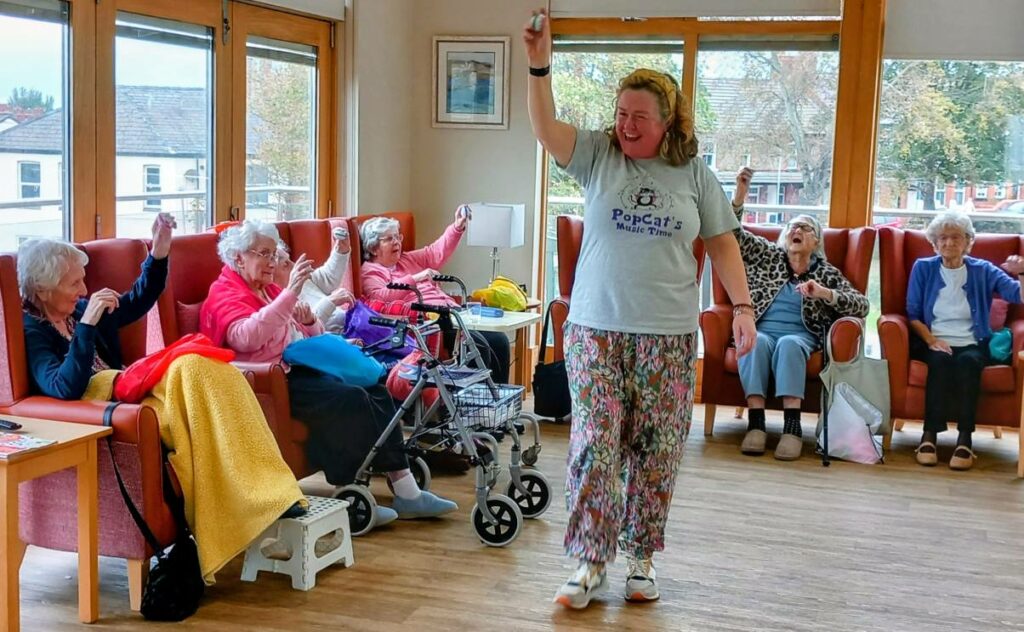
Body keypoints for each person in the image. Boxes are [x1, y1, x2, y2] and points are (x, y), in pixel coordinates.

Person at [523, 8, 758, 609]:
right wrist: (539, 66)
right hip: (595, 329)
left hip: (668, 336)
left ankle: (641, 558)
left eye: (639, 117)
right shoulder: (599, 154)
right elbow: (546, 128)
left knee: (656, 450)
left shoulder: (694, 174)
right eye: (621, 114)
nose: (626, 126)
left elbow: (723, 243)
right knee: (595, 443)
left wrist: (742, 307)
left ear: (667, 121)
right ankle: (588, 562)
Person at [19, 214, 307, 584]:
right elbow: (63, 387)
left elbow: (138, 301)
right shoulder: (34, 330)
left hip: (132, 389)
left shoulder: (76, 308)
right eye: (74, 282)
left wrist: (158, 252)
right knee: (190, 364)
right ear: (43, 290)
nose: (84, 289)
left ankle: (271, 492)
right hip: (110, 403)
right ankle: (251, 503)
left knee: (207, 366)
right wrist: (87, 327)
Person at [200, 219, 457, 525]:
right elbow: (246, 338)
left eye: (273, 254)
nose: (272, 262)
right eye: (264, 254)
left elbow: (310, 334)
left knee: (376, 390)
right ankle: (350, 490)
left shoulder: (267, 288)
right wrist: (290, 294)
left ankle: (406, 490)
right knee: (349, 398)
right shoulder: (225, 292)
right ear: (239, 257)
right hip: (271, 382)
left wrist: (309, 322)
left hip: (301, 367)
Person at [730, 168, 870, 461]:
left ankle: (792, 428)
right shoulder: (769, 256)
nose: (796, 231)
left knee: (789, 344)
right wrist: (740, 196)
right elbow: (733, 236)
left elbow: (862, 305)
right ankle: (756, 423)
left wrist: (825, 293)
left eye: (805, 228)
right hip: (762, 328)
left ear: (817, 242)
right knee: (755, 342)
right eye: (792, 227)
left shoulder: (826, 272)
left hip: (802, 335)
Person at [907, 212, 1024, 471]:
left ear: (968, 241)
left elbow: (1018, 295)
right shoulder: (923, 268)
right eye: (943, 238)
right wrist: (931, 340)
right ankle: (928, 436)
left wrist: (1022, 272)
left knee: (969, 363)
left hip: (972, 342)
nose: (949, 243)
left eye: (956, 237)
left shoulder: (983, 270)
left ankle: (965, 440)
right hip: (933, 340)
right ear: (934, 243)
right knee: (939, 362)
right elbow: (912, 314)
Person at [358, 208, 512, 383]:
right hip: (432, 322)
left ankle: (499, 397)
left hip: (453, 313)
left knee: (499, 340)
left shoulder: (407, 259)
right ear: (373, 248)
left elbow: (436, 252)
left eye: (397, 237)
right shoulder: (371, 271)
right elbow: (379, 297)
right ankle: (473, 398)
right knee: (478, 345)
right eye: (389, 239)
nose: (397, 242)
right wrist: (417, 278)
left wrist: (457, 227)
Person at [273, 229, 356, 332]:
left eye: (290, 260)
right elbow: (305, 330)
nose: (294, 265)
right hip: (334, 337)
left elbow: (327, 278)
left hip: (351, 327)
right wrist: (331, 301)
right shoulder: (278, 303)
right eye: (285, 264)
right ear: (270, 272)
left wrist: (340, 250)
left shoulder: (301, 280)